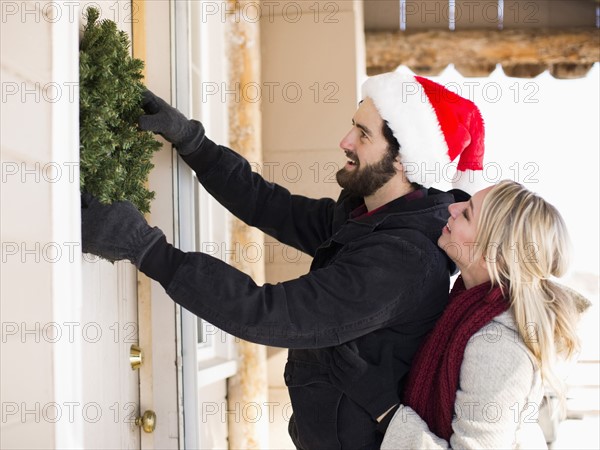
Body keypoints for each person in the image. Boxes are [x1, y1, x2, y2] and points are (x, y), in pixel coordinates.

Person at [81, 71, 486, 449]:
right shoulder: (372, 215)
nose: (345, 140)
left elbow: (267, 313)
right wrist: (192, 141)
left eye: (362, 134)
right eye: (353, 124)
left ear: (402, 160)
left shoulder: (403, 261)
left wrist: (147, 250)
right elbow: (269, 205)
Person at [371, 179, 586, 449]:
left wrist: (386, 411)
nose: (454, 208)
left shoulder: (499, 348)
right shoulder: (462, 307)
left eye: (468, 213)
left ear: (490, 255)